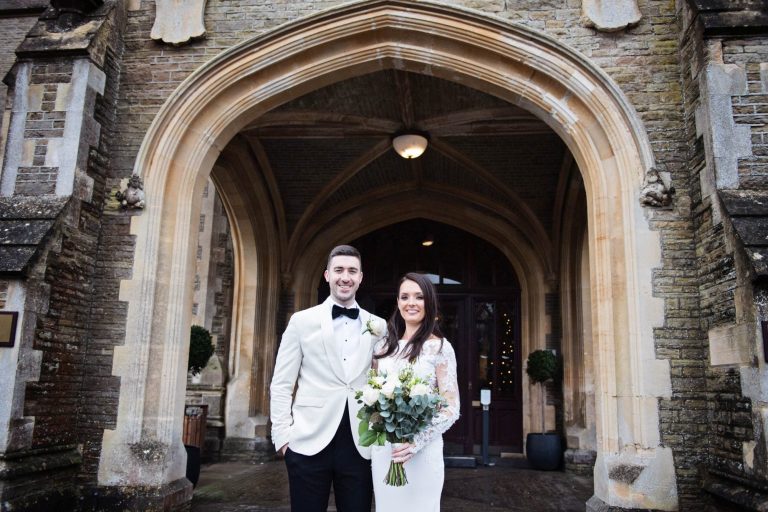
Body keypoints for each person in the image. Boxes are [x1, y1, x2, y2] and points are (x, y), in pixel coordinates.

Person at [270, 245, 386, 512]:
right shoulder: (301, 321)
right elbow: (282, 383)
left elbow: (383, 382)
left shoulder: (379, 326)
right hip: (307, 441)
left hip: (360, 444)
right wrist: (283, 439)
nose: (345, 277)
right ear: (326, 275)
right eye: (339, 270)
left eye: (352, 271)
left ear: (360, 277)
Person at [371, 272, 460, 511]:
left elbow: (451, 406)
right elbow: (373, 395)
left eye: (419, 297)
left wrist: (415, 441)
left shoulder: (439, 348)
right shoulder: (382, 347)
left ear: (429, 302)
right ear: (398, 302)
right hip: (386, 451)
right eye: (405, 296)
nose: (411, 303)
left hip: (422, 451)